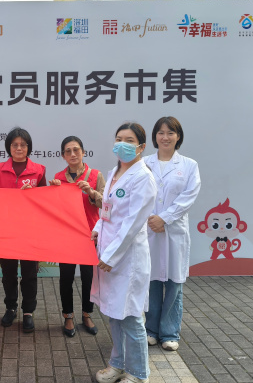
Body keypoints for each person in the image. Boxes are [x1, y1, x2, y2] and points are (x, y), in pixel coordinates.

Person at [91, 122, 157, 383]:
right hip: (108, 252)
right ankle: (117, 364)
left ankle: (139, 374)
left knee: (130, 316)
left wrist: (112, 255)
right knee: (113, 313)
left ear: (141, 147)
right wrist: (97, 228)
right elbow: (107, 211)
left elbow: (133, 222)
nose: (122, 144)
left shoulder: (143, 177)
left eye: (129, 141)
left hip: (127, 258)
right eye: (119, 139)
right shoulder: (114, 172)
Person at [144, 117, 201, 352]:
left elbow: (188, 197)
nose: (165, 137)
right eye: (160, 132)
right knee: (152, 282)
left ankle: (169, 332)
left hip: (174, 231)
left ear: (178, 136)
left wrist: (164, 218)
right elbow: (138, 194)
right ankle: (151, 330)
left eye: (170, 133)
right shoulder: (144, 163)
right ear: (154, 136)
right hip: (149, 229)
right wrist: (152, 219)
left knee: (174, 283)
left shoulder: (189, 165)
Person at [0, 127, 46, 333]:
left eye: (23, 144)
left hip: (30, 230)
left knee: (30, 274)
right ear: (9, 147)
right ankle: (10, 307)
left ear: (28, 147)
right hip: (6, 230)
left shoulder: (39, 170)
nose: (19, 148)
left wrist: (36, 194)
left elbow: (45, 200)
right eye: (15, 145)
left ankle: (28, 311)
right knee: (8, 273)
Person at [49, 136, 105, 337]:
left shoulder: (96, 175)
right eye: (68, 151)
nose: (72, 154)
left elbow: (105, 204)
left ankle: (87, 314)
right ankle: (68, 316)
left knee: (89, 278)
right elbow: (54, 208)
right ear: (63, 156)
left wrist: (91, 192)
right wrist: (54, 190)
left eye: (76, 150)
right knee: (66, 277)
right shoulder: (58, 177)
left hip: (89, 234)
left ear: (83, 152)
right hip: (67, 236)